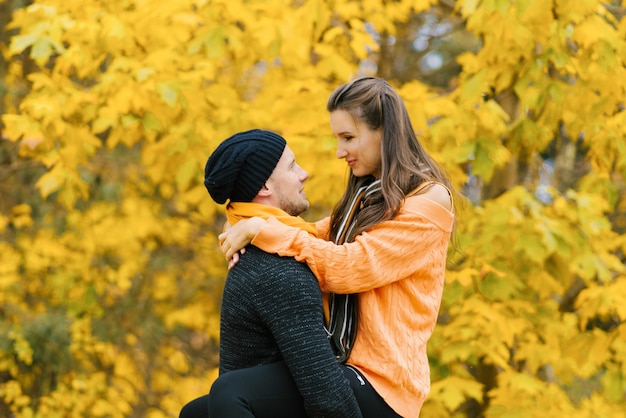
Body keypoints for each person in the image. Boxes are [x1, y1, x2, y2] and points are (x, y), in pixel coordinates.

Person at [219, 77, 457, 417]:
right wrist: (243, 220)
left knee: (233, 393)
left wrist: (261, 229)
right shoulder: (367, 197)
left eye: (348, 137)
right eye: (337, 138)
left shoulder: (428, 202)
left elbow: (351, 266)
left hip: (382, 384)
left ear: (384, 132)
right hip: (343, 366)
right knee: (201, 410)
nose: (339, 151)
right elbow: (311, 236)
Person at [178, 129, 362, 418]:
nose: (305, 174)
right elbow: (327, 396)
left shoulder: (261, 250)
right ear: (264, 186)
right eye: (292, 166)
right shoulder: (278, 270)